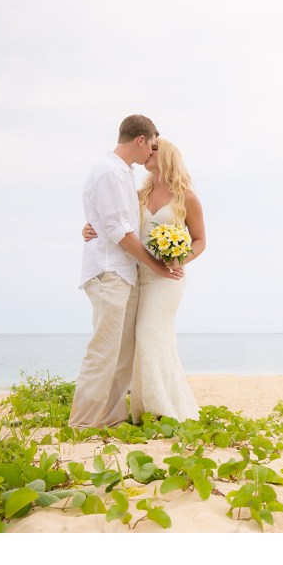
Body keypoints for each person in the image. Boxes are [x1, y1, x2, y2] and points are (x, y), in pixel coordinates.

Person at [70, 115, 183, 429]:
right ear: (141, 141)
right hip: (110, 272)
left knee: (121, 354)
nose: (153, 153)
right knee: (104, 351)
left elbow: (117, 221)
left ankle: (111, 418)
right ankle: (83, 424)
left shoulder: (124, 175)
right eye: (153, 146)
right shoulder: (108, 172)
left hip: (125, 274)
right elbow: (118, 231)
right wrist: (155, 264)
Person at [83, 138, 205, 422]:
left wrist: (179, 258)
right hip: (138, 275)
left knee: (150, 332)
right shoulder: (137, 195)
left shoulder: (186, 196)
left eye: (155, 150)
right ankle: (149, 408)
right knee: (145, 339)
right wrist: (90, 228)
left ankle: (160, 410)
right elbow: (115, 223)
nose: (148, 153)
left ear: (168, 156)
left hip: (167, 280)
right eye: (148, 148)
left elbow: (200, 241)